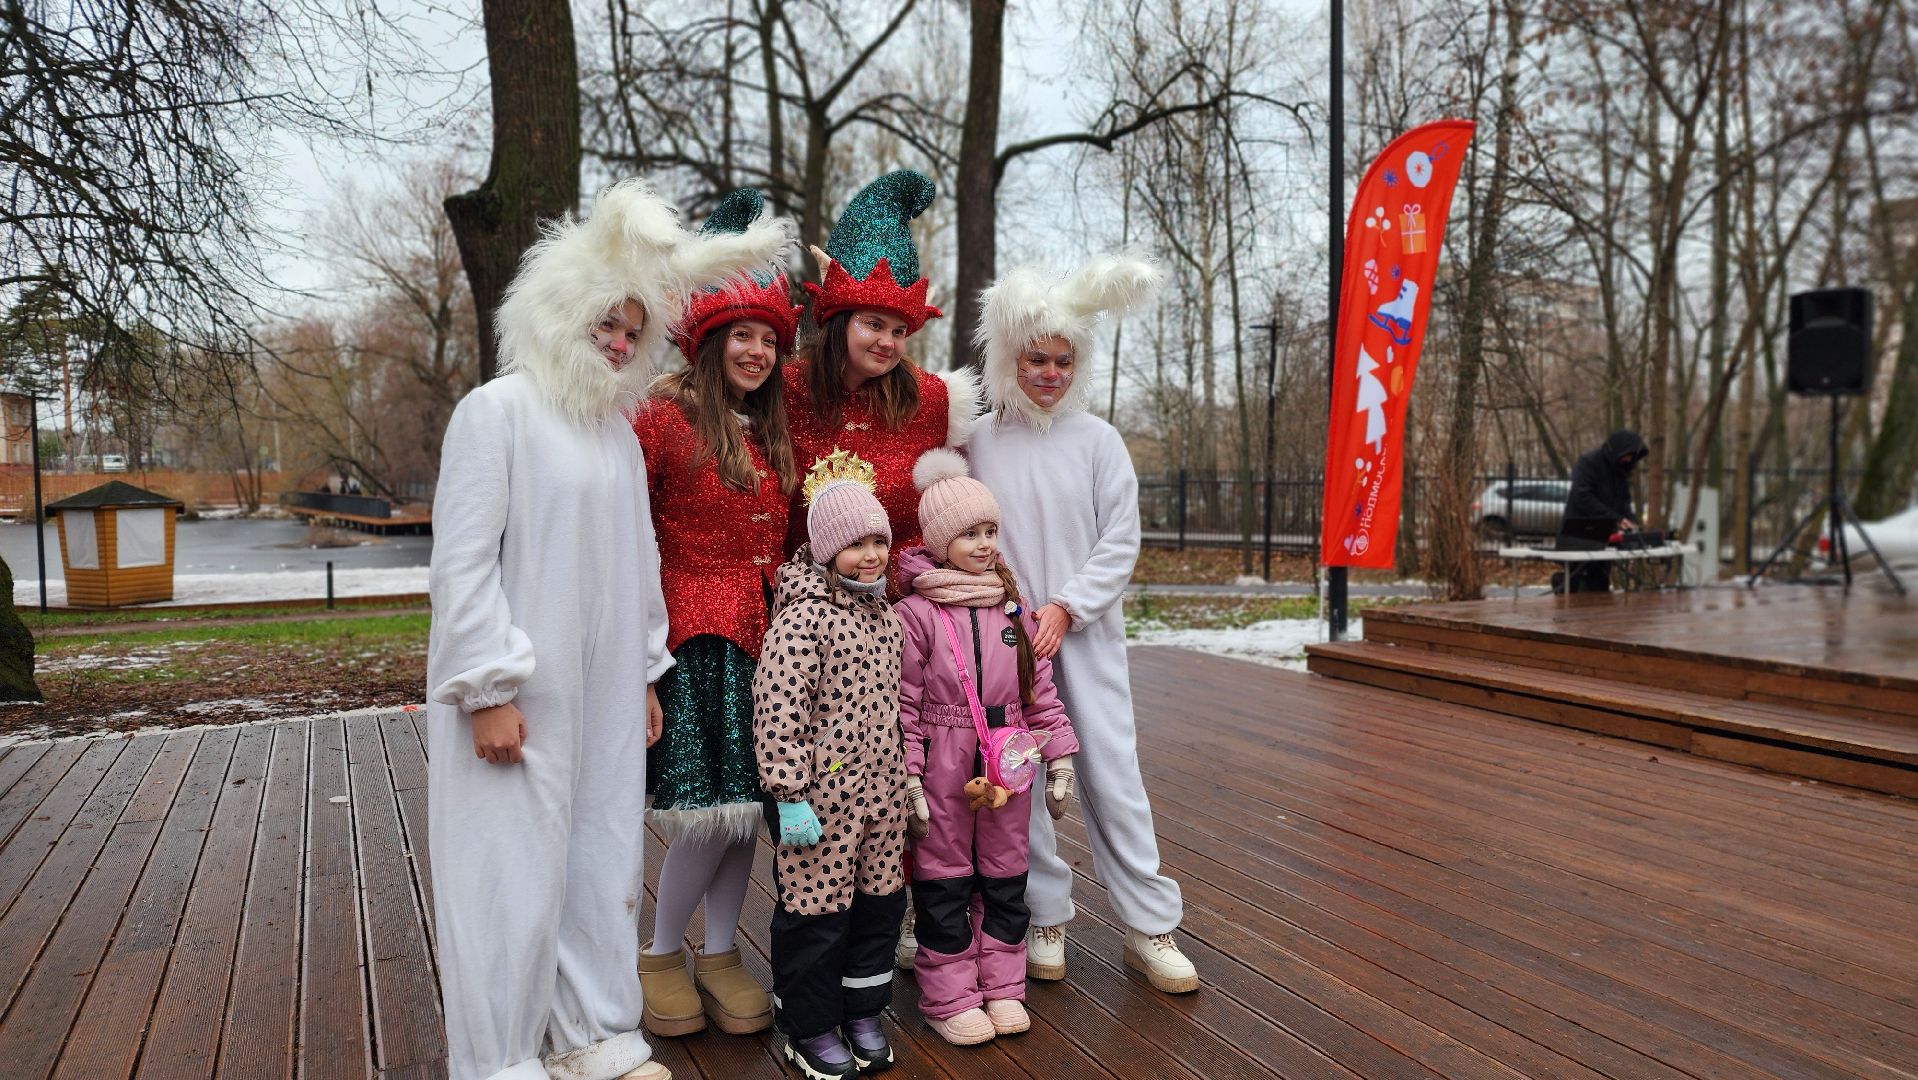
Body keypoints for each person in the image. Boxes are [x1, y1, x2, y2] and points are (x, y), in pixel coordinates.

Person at [426, 177, 789, 1080]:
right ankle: (501, 1057)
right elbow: (461, 566)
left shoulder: (617, 435)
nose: (622, 341)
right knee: (508, 874)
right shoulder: (497, 413)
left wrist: (643, 675)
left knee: (600, 856)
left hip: (609, 696)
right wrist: (485, 690)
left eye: (635, 330)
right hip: (516, 695)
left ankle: (593, 1031)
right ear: (561, 309)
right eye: (607, 323)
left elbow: (637, 567)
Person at [962, 253, 1200, 995]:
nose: (1050, 373)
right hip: (1003, 641)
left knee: (1111, 769)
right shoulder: (976, 440)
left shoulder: (1098, 441)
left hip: (1085, 637)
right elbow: (958, 530)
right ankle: (1044, 916)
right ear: (1009, 357)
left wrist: (1068, 606)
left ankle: (1148, 925)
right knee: (1017, 775)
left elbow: (1119, 540)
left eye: (1064, 360)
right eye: (1036, 358)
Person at [633, 189, 801, 1039]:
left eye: (770, 340)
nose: (758, 352)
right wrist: (640, 659)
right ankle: (661, 951)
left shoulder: (771, 433)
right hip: (696, 639)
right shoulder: (661, 418)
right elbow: (627, 533)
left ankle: (721, 950)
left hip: (769, 640)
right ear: (708, 339)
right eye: (743, 335)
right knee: (708, 811)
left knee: (752, 812)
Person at [894, 449, 1079, 1045]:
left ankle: (1003, 985)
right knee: (944, 878)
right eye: (968, 533)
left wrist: (1060, 758)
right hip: (945, 757)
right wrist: (911, 778)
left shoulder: (1013, 610)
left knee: (1005, 875)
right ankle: (949, 995)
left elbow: (1039, 692)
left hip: (1010, 756)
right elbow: (906, 704)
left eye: (990, 531)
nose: (983, 543)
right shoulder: (916, 614)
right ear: (938, 540)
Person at [754, 452, 909, 1079]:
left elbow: (896, 710)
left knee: (878, 907)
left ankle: (862, 1009)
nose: (870, 556)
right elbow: (777, 710)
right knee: (816, 916)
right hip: (820, 804)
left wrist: (906, 784)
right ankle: (810, 1023)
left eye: (878, 541)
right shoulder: (802, 622)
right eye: (854, 545)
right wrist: (788, 793)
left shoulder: (887, 619)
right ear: (824, 551)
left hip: (882, 800)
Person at [783, 169, 979, 582]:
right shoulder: (783, 392)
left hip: (907, 613)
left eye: (899, 331)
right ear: (839, 321)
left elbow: (958, 512)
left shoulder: (930, 401)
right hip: (805, 611)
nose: (888, 342)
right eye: (873, 324)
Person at [1559, 428, 1648, 593]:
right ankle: (1564, 587)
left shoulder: (1620, 471)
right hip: (1579, 530)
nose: (1629, 459)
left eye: (1632, 457)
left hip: (1605, 533)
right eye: (1627, 454)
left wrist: (1631, 522)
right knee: (1578, 580)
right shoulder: (1588, 462)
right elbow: (1583, 497)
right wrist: (1616, 519)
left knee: (1600, 581)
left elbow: (1624, 501)